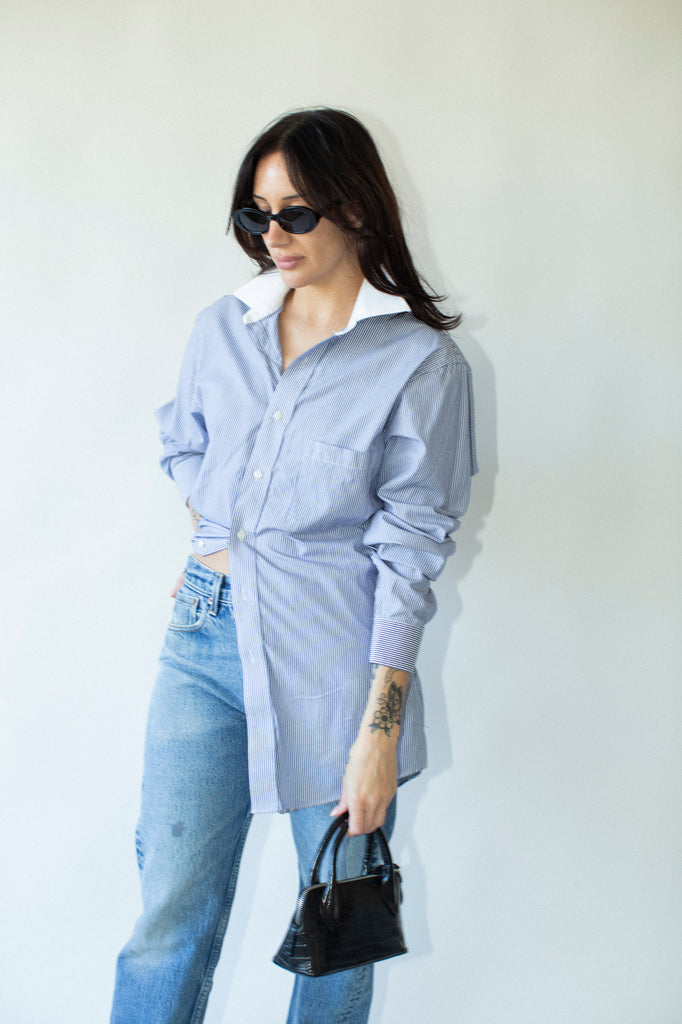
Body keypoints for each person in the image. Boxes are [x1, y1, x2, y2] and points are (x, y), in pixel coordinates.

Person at [110, 107, 477, 1024]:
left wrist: (380, 731)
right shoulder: (221, 328)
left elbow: (413, 545)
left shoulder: (418, 364)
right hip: (204, 642)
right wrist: (225, 542)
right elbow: (182, 448)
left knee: (335, 929)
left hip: (339, 665)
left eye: (296, 213)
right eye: (255, 216)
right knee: (169, 915)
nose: (271, 236)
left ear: (355, 208)